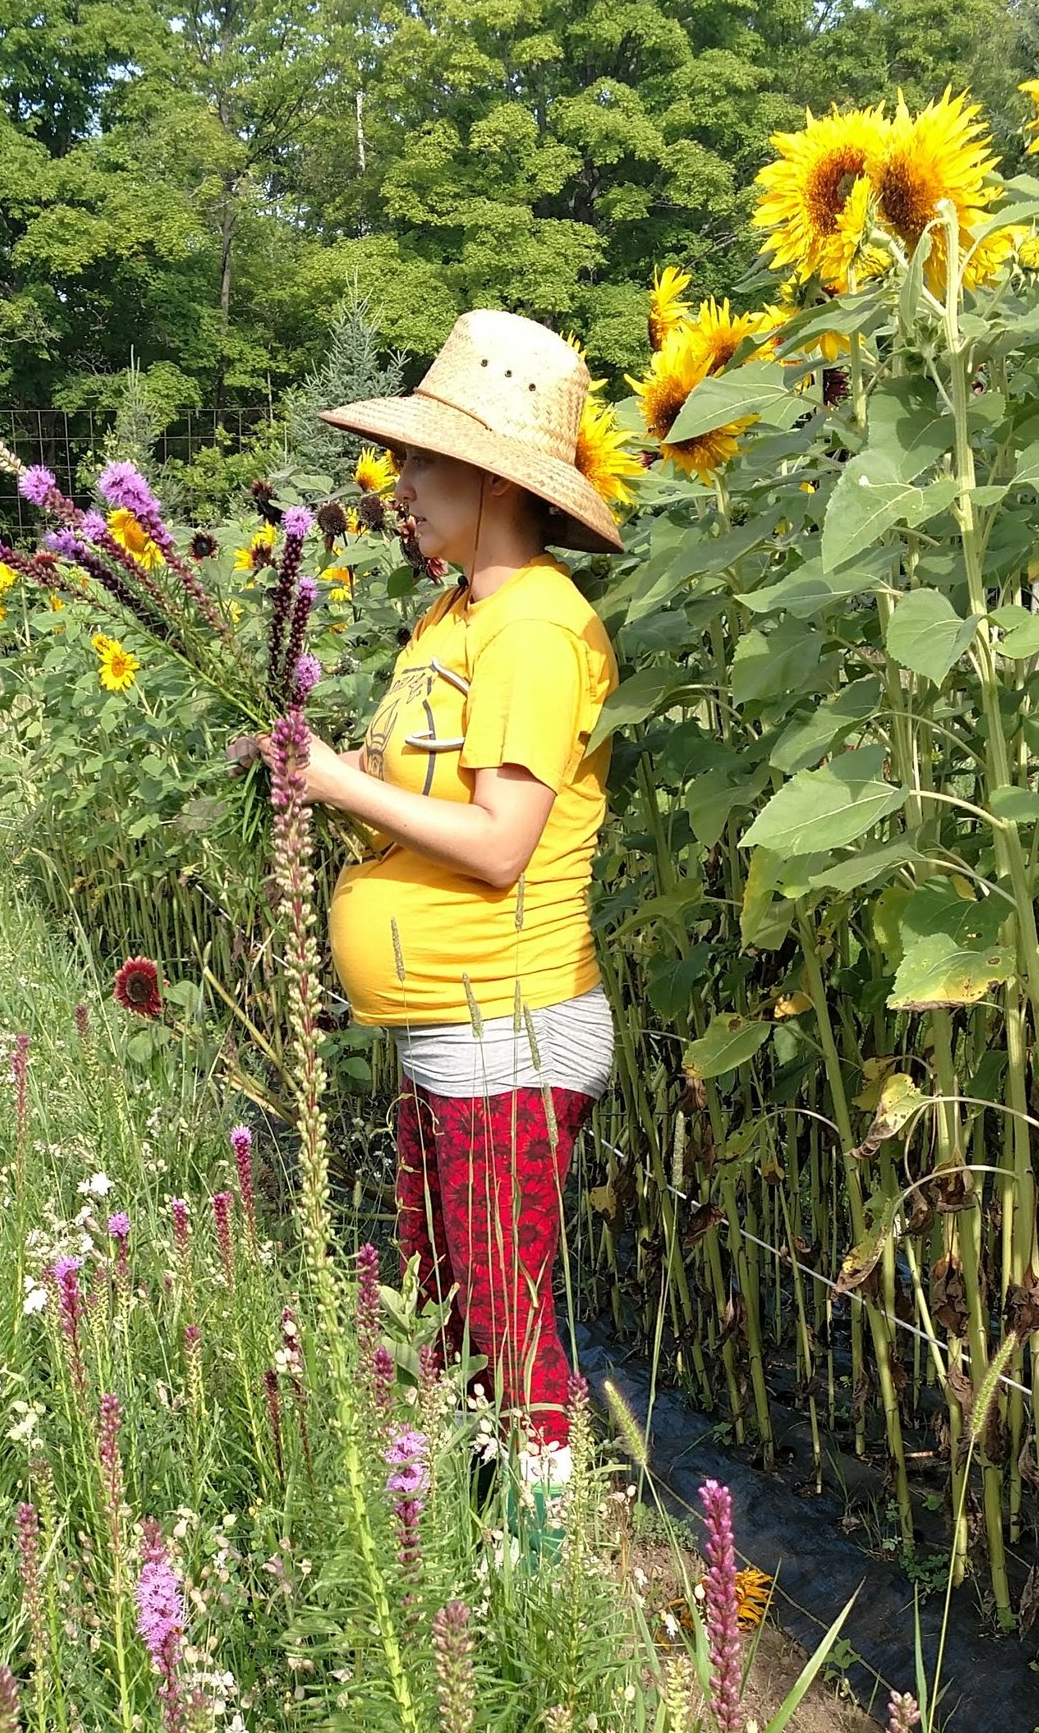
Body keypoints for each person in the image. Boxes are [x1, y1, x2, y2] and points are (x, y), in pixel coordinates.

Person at [295, 308, 623, 1552]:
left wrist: (334, 783)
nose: (399, 488)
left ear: (491, 477)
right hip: (450, 1036)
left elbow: (499, 844)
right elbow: (417, 812)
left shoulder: (537, 625)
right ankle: (486, 1542)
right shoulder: (453, 617)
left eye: (422, 464)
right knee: (447, 1300)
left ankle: (538, 1576)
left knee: (501, 1306)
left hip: (514, 1028)